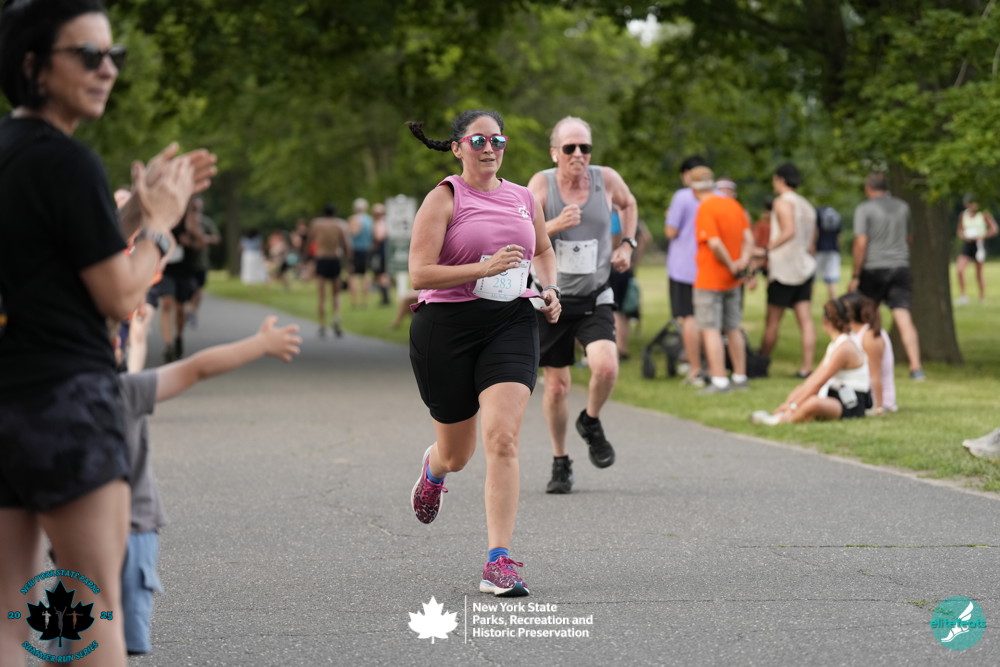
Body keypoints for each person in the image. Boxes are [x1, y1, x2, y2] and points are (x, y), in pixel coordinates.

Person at [0, 1, 214, 663]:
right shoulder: (68, 162)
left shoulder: (12, 151)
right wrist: (163, 226)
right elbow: (121, 296)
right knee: (93, 610)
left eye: (113, 56)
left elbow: (58, 250)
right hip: (65, 402)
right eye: (88, 55)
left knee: (8, 615)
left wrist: (134, 212)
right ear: (33, 65)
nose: (108, 70)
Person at [405, 110, 560, 597]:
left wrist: (550, 289)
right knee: (459, 453)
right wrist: (482, 267)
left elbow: (543, 251)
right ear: (457, 148)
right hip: (446, 328)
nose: (489, 148)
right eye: (478, 140)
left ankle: (498, 561)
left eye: (497, 140)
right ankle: (434, 469)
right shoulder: (444, 198)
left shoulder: (524, 198)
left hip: (510, 322)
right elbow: (419, 273)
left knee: (503, 438)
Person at [113, 308, 300, 655]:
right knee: (113, 646)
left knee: (70, 643)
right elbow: (196, 368)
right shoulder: (122, 392)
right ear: (114, 347)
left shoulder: (43, 401)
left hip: (71, 539)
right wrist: (260, 344)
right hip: (131, 533)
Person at [527, 116, 638, 495]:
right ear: (554, 152)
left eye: (585, 147)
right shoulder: (541, 184)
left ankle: (590, 420)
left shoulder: (605, 179)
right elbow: (521, 232)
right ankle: (561, 461)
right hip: (552, 300)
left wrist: (627, 245)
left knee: (605, 367)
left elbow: (629, 204)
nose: (578, 154)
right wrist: (555, 225)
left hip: (595, 294)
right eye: (570, 147)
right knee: (557, 387)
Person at [849, 172, 926, 381]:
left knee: (867, 316)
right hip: (900, 267)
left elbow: (861, 243)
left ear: (868, 188)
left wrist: (856, 274)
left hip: (873, 268)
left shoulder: (864, 209)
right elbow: (909, 238)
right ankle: (916, 367)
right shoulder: (903, 207)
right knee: (903, 317)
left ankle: (868, 361)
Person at [750, 298, 871, 424]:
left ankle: (783, 420)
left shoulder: (844, 348)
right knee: (800, 389)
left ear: (825, 322)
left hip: (851, 402)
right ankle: (782, 413)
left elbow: (819, 382)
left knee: (813, 403)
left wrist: (793, 406)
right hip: (835, 394)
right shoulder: (836, 344)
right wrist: (790, 402)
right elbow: (815, 377)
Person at [689, 167, 754, 393]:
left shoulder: (705, 207)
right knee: (733, 327)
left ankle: (719, 380)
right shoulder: (733, 204)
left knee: (711, 329)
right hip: (733, 281)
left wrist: (730, 264)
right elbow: (748, 238)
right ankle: (740, 376)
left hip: (710, 279)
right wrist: (742, 261)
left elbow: (715, 244)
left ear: (692, 188)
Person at [759, 162, 817, 379]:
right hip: (804, 267)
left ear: (780, 179)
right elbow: (813, 237)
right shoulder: (806, 205)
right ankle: (806, 367)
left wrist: (768, 249)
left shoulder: (782, 202)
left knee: (773, 321)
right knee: (805, 320)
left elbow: (789, 230)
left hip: (784, 269)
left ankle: (761, 363)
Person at [665, 155, 709, 386]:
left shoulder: (682, 196)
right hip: (708, 267)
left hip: (684, 267)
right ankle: (711, 364)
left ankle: (695, 368)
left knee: (688, 317)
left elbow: (671, 231)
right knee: (707, 319)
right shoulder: (718, 196)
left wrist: (669, 217)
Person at [840, 291, 897, 414]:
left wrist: (878, 407)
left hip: (872, 399)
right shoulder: (852, 334)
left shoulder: (870, 337)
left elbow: (875, 375)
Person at [307, 203, 351, 338]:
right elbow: (345, 245)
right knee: (336, 293)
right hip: (334, 259)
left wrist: (306, 257)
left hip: (321, 258)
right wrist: (349, 261)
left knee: (321, 295)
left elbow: (309, 242)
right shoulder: (340, 224)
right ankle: (336, 318)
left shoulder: (316, 224)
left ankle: (322, 324)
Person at [955, 194, 998, 305]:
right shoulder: (963, 215)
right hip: (968, 244)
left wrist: (983, 236)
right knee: (960, 269)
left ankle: (982, 297)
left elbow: (994, 229)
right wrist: (964, 236)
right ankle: (963, 296)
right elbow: (959, 231)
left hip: (979, 244)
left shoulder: (983, 214)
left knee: (979, 273)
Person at [184, 195, 220, 327]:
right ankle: (187, 310)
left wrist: (205, 239)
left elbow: (216, 238)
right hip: (186, 261)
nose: (196, 208)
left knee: (199, 288)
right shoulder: (184, 221)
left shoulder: (206, 222)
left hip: (201, 261)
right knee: (187, 288)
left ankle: (193, 312)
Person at [348, 197, 373, 308]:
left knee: (352, 275)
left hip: (355, 250)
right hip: (367, 249)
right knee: (366, 274)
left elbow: (353, 233)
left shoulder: (353, 219)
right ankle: (365, 300)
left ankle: (354, 301)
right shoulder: (370, 220)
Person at [815, 205, 843, 301]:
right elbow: (839, 236)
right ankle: (834, 304)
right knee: (832, 281)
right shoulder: (836, 215)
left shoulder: (817, 213)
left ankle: (807, 303)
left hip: (819, 250)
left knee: (811, 280)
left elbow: (815, 232)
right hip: (833, 250)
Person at [370, 201, 391, 305]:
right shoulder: (386, 222)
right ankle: (385, 298)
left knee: (381, 275)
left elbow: (379, 236)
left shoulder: (380, 223)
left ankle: (385, 299)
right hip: (383, 252)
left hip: (380, 253)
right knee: (382, 274)